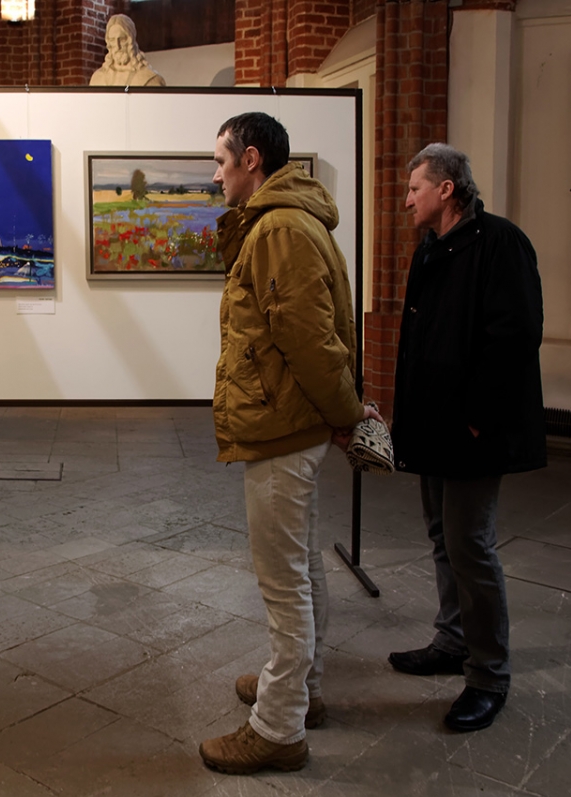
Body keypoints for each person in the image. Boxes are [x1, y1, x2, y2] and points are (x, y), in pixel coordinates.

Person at [197, 112, 378, 775]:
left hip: (282, 427)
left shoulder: (278, 228)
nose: (215, 174)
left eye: (221, 161)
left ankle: (277, 728)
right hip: (290, 421)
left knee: (284, 584)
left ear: (251, 159)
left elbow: (309, 339)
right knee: (300, 567)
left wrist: (345, 413)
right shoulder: (286, 221)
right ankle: (303, 690)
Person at [388, 143, 546, 732]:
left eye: (415, 189)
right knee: (443, 537)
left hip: (474, 432)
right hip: (433, 426)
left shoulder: (501, 243)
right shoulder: (431, 249)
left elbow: (516, 336)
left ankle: (488, 676)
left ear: (446, 189)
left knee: (470, 544)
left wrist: (478, 416)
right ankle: (453, 640)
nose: (407, 201)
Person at [88, 14, 165, 87]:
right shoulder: (98, 78)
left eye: (122, 39)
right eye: (112, 40)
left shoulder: (149, 79)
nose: (117, 46)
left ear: (131, 40)